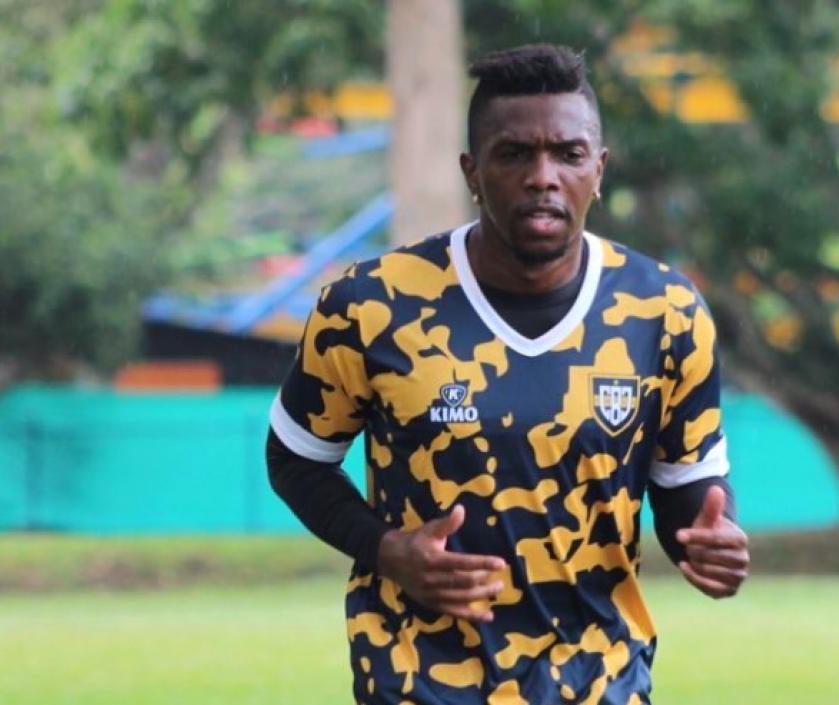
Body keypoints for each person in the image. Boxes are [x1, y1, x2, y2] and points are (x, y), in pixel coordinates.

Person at [266, 43, 749, 704]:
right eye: (514, 153)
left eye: (568, 154)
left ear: (599, 169)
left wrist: (712, 541)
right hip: (419, 684)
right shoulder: (371, 306)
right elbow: (295, 458)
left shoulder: (664, 311)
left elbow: (687, 488)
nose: (542, 177)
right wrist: (386, 549)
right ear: (473, 170)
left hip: (600, 684)